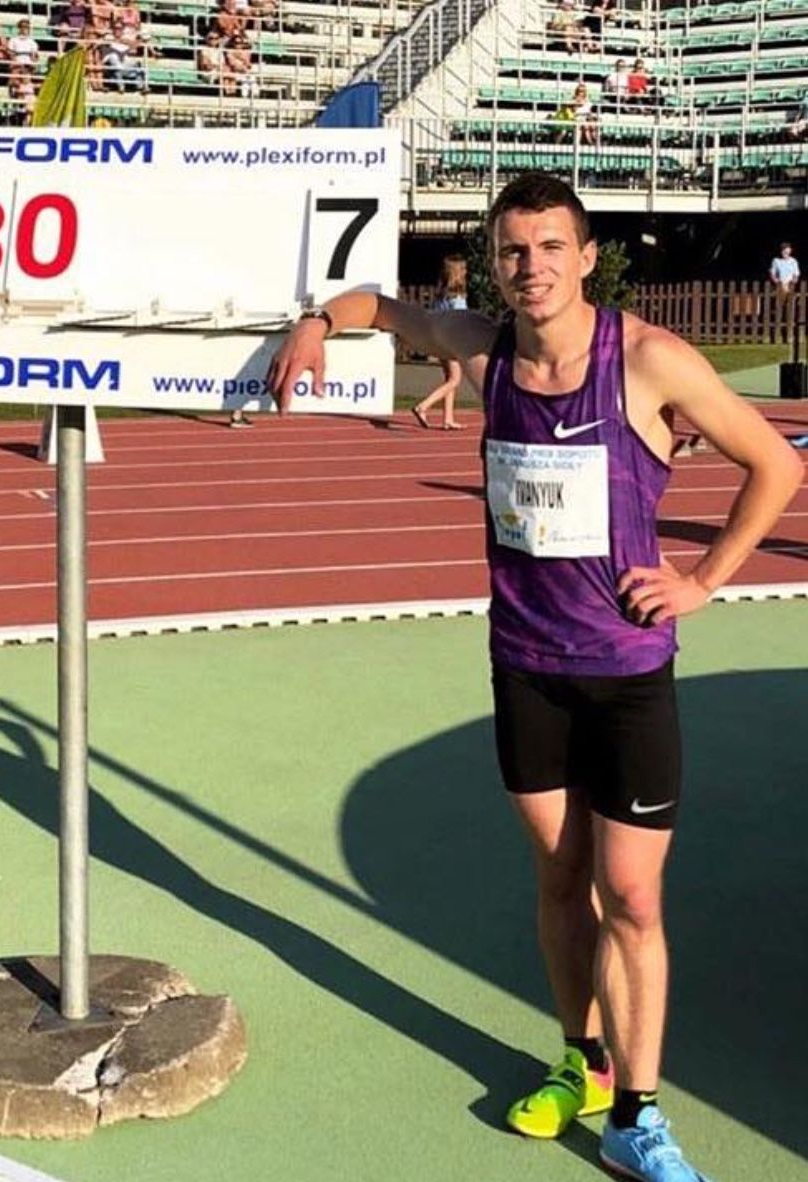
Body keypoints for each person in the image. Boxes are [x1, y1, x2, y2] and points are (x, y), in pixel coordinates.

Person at [267, 171, 802, 1182]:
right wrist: (313, 324)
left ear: (588, 257)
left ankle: (638, 1117)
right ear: (496, 260)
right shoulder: (485, 348)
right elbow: (380, 307)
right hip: (526, 667)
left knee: (631, 896)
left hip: (627, 672)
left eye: (552, 246)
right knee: (560, 878)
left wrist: (700, 580)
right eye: (514, 249)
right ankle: (582, 1063)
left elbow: (777, 465)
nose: (533, 266)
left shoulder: (648, 360)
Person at [409, 255, 468, 430]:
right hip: (451, 341)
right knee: (455, 379)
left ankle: (448, 418)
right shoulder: (457, 298)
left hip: (438, 339)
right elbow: (460, 321)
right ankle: (423, 406)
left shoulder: (441, 297)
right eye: (463, 269)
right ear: (458, 273)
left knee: (449, 378)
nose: (466, 272)